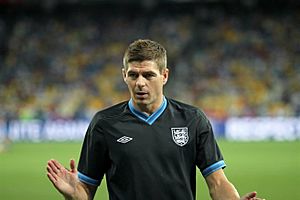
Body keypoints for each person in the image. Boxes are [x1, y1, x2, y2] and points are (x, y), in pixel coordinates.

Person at [46, 39, 264, 200]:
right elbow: (86, 190)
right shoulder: (104, 124)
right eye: (133, 75)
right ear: (124, 75)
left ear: (165, 75)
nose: (140, 83)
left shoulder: (193, 119)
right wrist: (73, 193)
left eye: (148, 75)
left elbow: (217, 183)